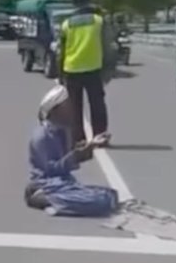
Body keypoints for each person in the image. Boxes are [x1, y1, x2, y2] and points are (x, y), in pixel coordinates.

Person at [24, 84, 118, 217]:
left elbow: (68, 158)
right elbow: (51, 170)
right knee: (101, 201)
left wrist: (90, 145)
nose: (71, 111)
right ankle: (46, 198)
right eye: (67, 107)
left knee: (110, 195)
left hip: (64, 183)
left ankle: (59, 202)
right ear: (55, 110)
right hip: (47, 184)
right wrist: (77, 155)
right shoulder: (42, 136)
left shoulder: (62, 131)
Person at [59, 0, 113, 147]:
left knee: (75, 107)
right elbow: (107, 45)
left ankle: (78, 139)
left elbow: (61, 50)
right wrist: (109, 68)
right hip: (93, 68)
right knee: (97, 103)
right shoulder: (98, 21)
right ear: (89, 0)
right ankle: (100, 135)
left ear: (74, 3)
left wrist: (60, 72)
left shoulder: (66, 24)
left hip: (72, 69)